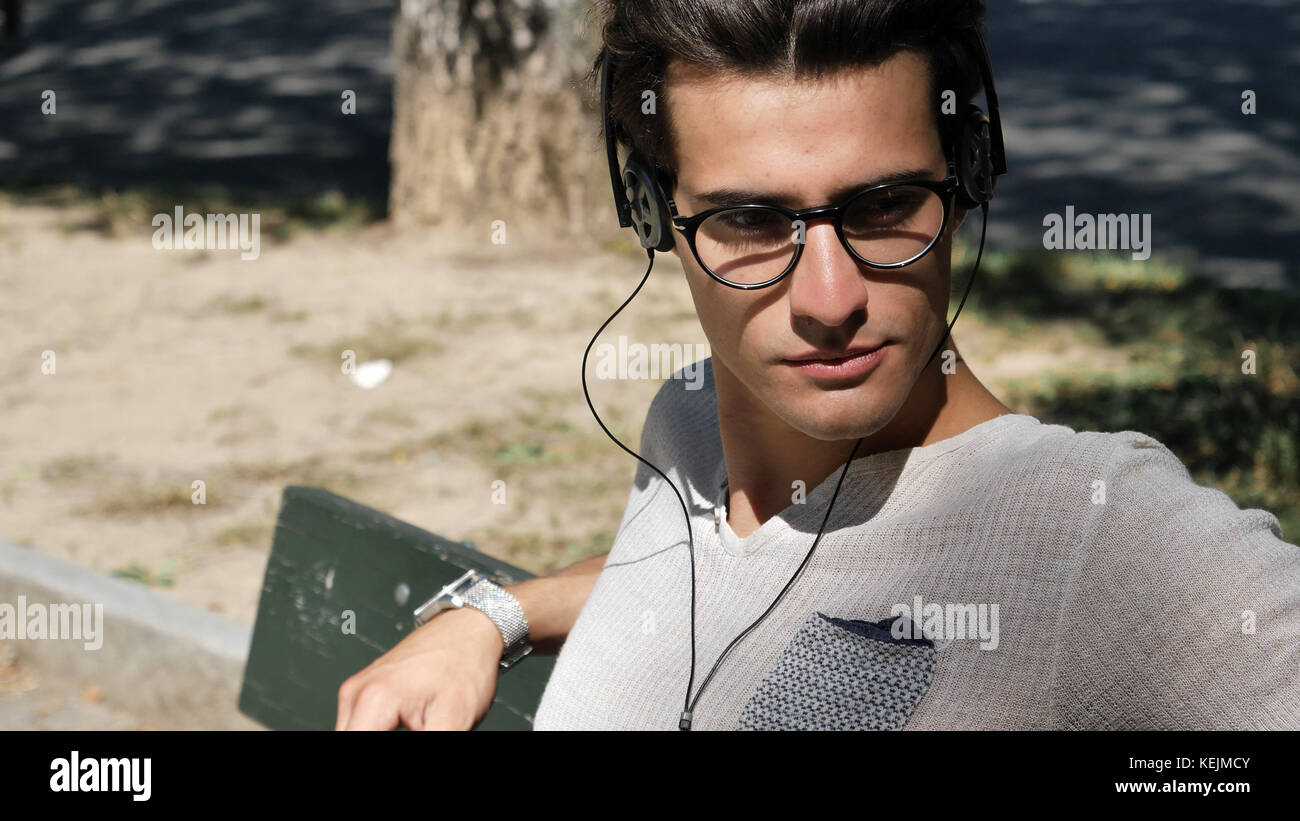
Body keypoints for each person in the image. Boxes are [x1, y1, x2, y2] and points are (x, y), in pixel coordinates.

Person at [336, 0, 1300, 731]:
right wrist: (495, 616)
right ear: (652, 214)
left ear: (968, 175)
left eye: (884, 206)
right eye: (750, 220)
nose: (830, 299)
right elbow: (726, 569)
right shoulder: (690, 422)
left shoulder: (1097, 528)